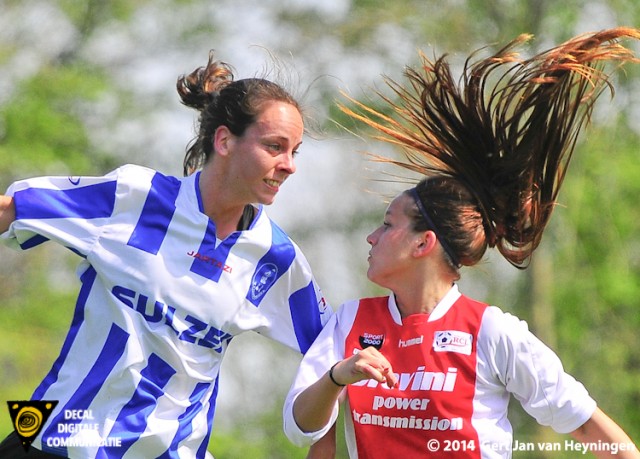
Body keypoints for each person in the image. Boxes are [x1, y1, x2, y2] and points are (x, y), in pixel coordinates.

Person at [283, 28, 640, 458]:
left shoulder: (491, 332)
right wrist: (339, 376)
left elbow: (610, 443)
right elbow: (299, 428)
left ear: (423, 243)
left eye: (387, 224)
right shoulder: (350, 323)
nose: (371, 236)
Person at [0, 51, 334, 458]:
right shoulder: (135, 196)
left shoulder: (276, 259)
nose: (289, 166)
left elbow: (334, 353)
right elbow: (12, 212)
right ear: (225, 140)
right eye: (274, 147)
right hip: (54, 444)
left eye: (294, 152)